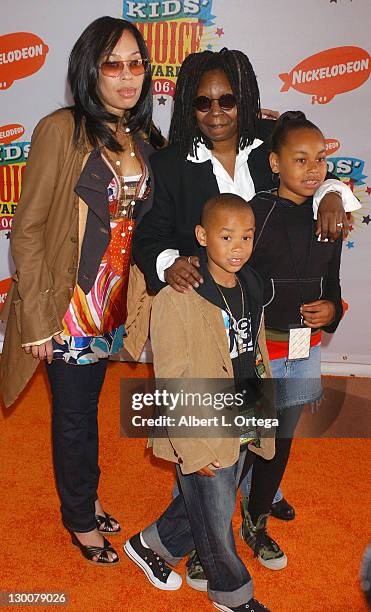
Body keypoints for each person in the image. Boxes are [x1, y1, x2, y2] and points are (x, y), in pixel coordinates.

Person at [132, 48, 360, 584]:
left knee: (242, 437)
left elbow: (308, 167)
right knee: (204, 443)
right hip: (204, 318)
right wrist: (171, 264)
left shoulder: (268, 146)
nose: (215, 111)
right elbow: (148, 237)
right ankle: (201, 549)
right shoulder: (169, 165)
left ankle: (194, 533)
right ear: (187, 103)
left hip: (262, 324)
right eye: (202, 101)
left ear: (246, 100)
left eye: (227, 100)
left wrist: (334, 191)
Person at [0, 16, 163, 565]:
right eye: (111, 64)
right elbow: (28, 229)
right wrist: (38, 319)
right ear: (88, 69)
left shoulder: (142, 137)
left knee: (87, 407)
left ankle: (87, 498)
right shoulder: (62, 129)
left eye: (135, 63)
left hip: (112, 303)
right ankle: (79, 520)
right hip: (67, 307)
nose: (126, 75)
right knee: (72, 415)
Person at [125, 194, 274, 612]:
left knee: (214, 500)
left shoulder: (252, 283)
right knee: (216, 514)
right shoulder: (179, 297)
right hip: (200, 420)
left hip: (243, 411)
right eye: (226, 237)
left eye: (246, 236)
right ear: (202, 236)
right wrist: (193, 446)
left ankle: (150, 544)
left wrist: (261, 412)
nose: (238, 247)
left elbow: (255, 350)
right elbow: (172, 377)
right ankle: (231, 592)